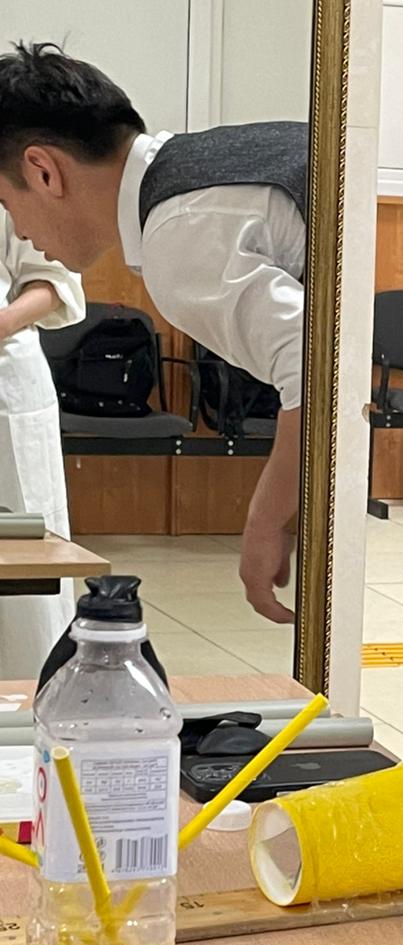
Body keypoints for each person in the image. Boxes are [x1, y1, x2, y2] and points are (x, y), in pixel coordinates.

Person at [0, 42, 306, 624]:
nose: (18, 230)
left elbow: (321, 373)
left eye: (5, 202)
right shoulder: (212, 164)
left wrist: (266, 520)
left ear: (43, 171)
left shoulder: (179, 235)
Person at [0, 206, 84, 676]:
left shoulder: (11, 174)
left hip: (5, 376)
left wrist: (4, 322)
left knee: (25, 546)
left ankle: (33, 691)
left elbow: (52, 278)